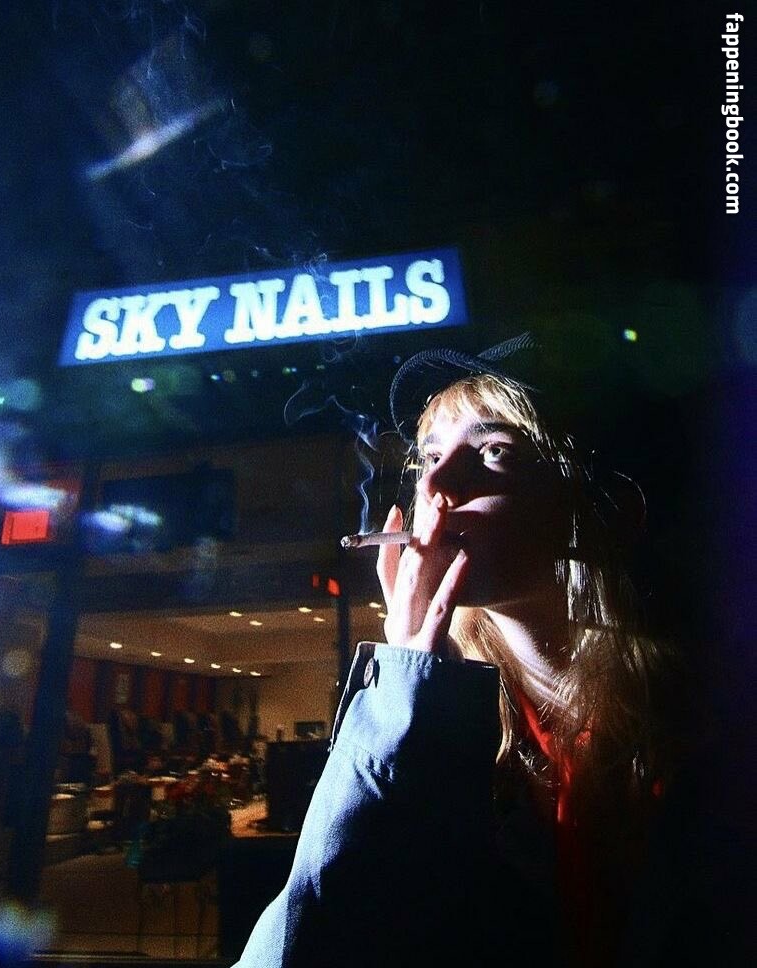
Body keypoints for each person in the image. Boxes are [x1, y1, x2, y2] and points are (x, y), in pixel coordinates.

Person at [233, 337, 680, 968]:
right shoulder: (455, 732)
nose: (437, 485)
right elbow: (304, 945)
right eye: (431, 456)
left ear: (602, 504)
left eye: (496, 451)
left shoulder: (703, 728)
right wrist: (404, 702)